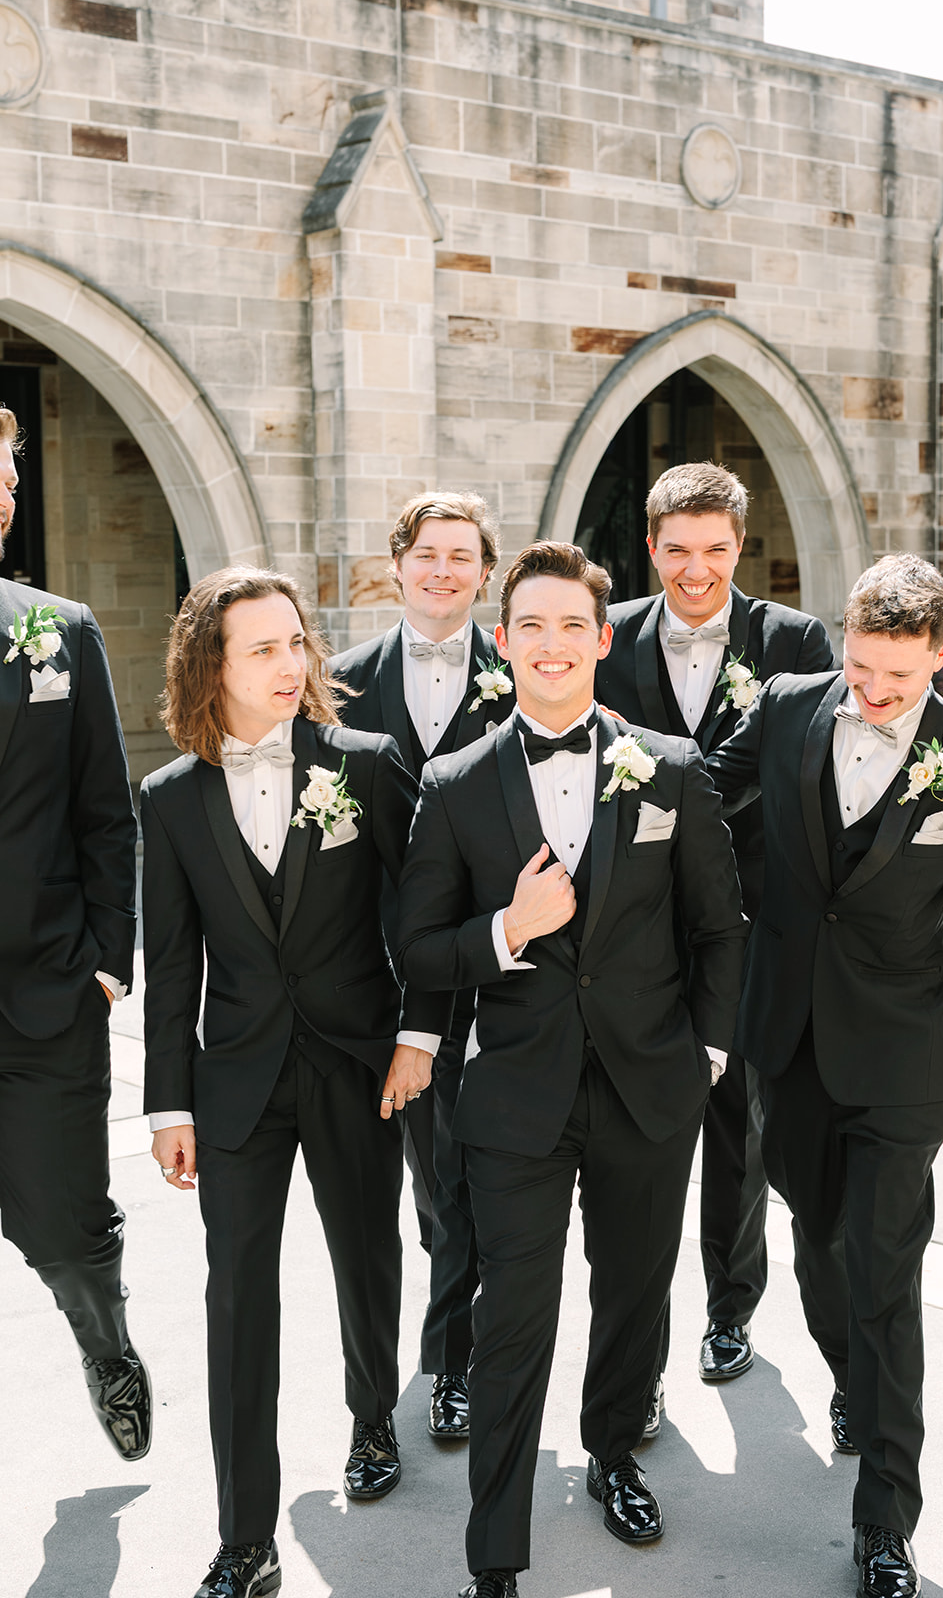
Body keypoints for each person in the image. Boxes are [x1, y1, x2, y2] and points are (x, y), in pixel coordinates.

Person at [396, 540, 748, 1598]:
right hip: (515, 1098)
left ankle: (611, 1455)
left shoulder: (668, 767)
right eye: (531, 627)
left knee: (634, 1294)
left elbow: (719, 927)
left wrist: (708, 1053)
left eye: (570, 626)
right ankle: (495, 1553)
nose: (551, 645)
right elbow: (417, 950)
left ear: (601, 640)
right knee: (512, 1318)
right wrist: (506, 929)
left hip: (650, 1087)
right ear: (503, 644)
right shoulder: (455, 784)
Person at [705, 553, 943, 1598]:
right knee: (817, 1238)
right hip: (785, 1038)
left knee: (887, 1278)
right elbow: (698, 796)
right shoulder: (785, 705)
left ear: (940, 654)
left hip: (898, 1059)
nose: (873, 690)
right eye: (859, 668)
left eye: (897, 675)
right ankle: (849, 1376)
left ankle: (886, 1523)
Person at [141, 567, 450, 1598]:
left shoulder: (362, 761)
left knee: (365, 1257)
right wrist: (169, 1104)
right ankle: (244, 1538)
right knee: (237, 1298)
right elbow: (172, 966)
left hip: (357, 1062)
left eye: (296, 642)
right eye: (262, 648)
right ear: (212, 665)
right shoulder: (170, 799)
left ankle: (372, 1421)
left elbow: (421, 908)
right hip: (234, 1084)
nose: (290, 664)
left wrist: (418, 1034)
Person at [595, 459, 834, 1412]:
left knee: (740, 1123)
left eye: (716, 549)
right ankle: (636, 1350)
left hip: (751, 914)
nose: (696, 569)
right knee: (639, 1139)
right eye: (677, 549)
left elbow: (801, 769)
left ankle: (730, 1310)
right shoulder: (607, 638)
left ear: (740, 547)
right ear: (651, 547)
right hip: (634, 922)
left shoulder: (793, 639)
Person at [330, 493, 510, 1441]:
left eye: (461, 556)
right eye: (427, 554)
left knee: (472, 1177)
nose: (443, 571)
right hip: (377, 977)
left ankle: (454, 1363)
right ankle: (433, 1349)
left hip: (499, 961)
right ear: (396, 563)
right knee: (417, 1176)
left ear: (484, 572)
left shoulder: (521, 674)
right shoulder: (338, 682)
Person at [0, 404, 148, 1460]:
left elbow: (106, 811)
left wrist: (106, 965)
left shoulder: (59, 629)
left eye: (10, 480)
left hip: (48, 989)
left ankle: (106, 1344)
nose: (7, 497)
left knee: (65, 1224)